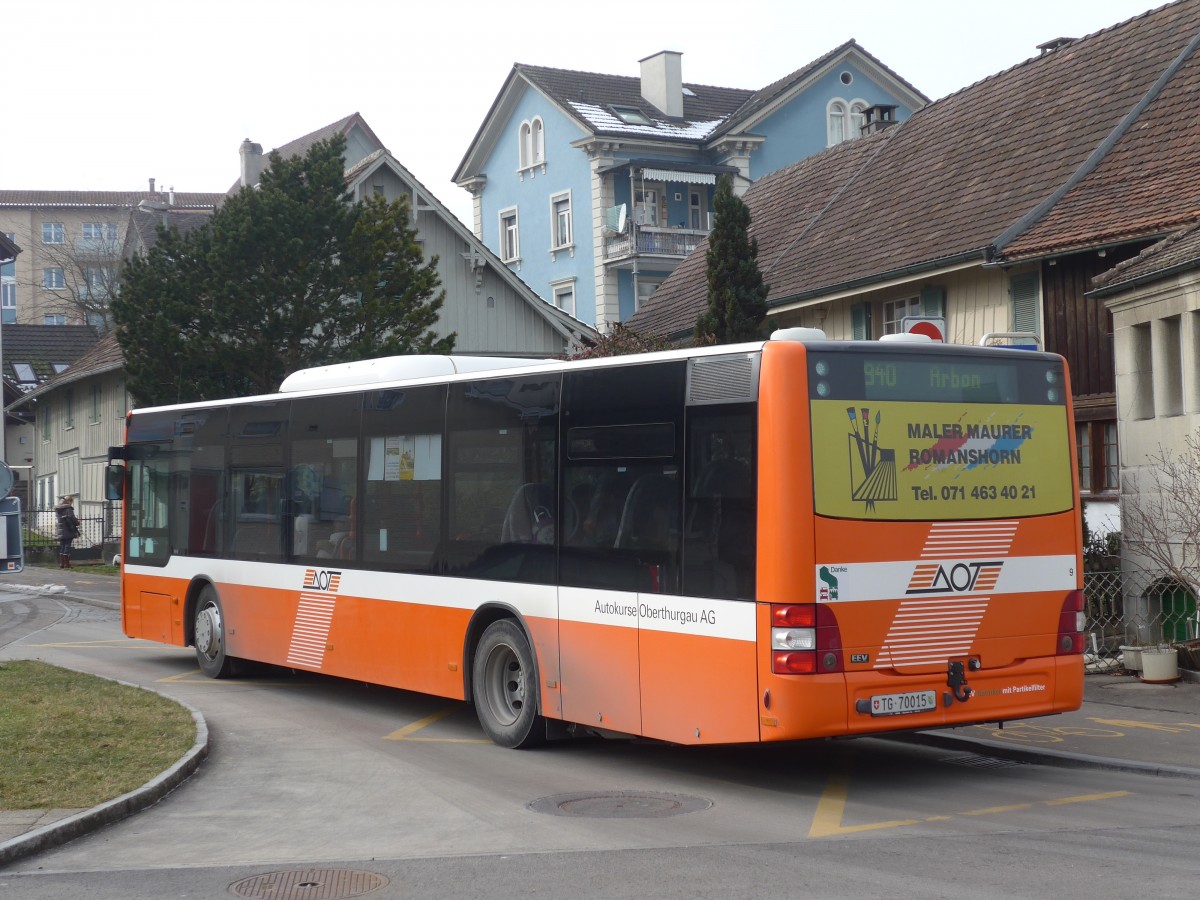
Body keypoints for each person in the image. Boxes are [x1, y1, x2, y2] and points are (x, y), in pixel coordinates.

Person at [55, 495, 80, 569]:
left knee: (62, 546)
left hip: (60, 529)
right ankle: (67, 564)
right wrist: (77, 522)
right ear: (69, 501)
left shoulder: (58, 509)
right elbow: (72, 518)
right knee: (67, 545)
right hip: (68, 529)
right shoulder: (68, 508)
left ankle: (62, 563)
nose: (71, 503)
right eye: (71, 501)